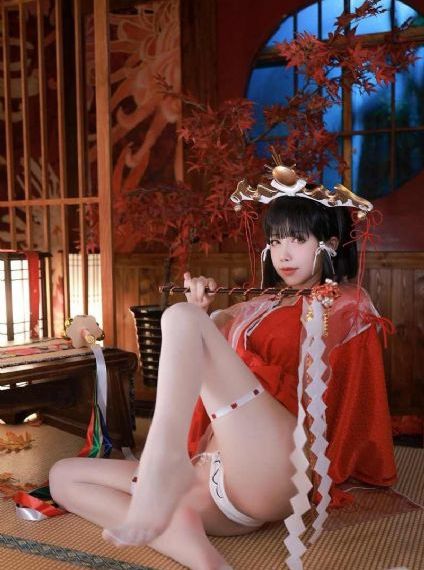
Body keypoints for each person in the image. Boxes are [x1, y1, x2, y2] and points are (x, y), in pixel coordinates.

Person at [49, 163, 396, 570]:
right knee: (62, 476)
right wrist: (204, 313)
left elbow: (345, 395)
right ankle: (201, 557)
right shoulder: (257, 305)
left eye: (298, 240)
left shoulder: (344, 303)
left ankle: (163, 464)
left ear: (330, 244)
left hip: (275, 461)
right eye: (276, 241)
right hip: (218, 483)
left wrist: (196, 321)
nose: (283, 254)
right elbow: (202, 366)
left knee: (180, 317)